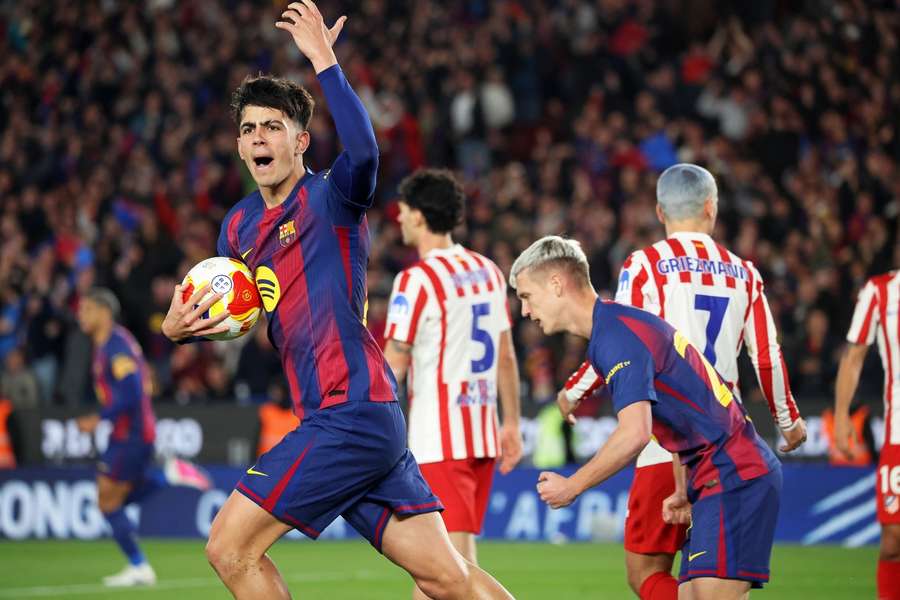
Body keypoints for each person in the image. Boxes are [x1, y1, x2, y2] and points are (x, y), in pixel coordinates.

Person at [161, 4, 513, 599]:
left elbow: (367, 154)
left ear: (300, 141)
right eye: (248, 130)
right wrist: (184, 328)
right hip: (358, 417)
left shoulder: (332, 197)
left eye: (271, 126)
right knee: (447, 578)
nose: (257, 138)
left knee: (228, 545)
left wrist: (323, 60)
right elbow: (242, 317)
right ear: (240, 148)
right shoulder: (239, 226)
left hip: (347, 413)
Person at [559, 164, 806, 599]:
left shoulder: (646, 265)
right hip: (727, 442)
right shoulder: (744, 272)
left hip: (664, 442)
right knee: (717, 577)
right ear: (712, 208)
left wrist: (574, 392)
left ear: (659, 210)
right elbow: (766, 355)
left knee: (645, 573)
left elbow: (624, 340)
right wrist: (789, 422)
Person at [511, 235, 783, 600]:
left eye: (527, 296)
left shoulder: (615, 338)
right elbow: (678, 411)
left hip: (734, 472)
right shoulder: (616, 327)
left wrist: (572, 485)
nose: (525, 311)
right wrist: (683, 485)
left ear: (556, 284)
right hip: (713, 473)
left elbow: (636, 433)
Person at [382, 168, 523, 598]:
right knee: (437, 574)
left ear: (420, 217)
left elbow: (395, 364)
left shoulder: (416, 280)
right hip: (480, 436)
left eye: (404, 212)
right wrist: (511, 423)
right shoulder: (487, 271)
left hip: (438, 441)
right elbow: (506, 356)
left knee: (451, 576)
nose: (399, 220)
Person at [76, 288, 210, 587]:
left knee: (108, 502)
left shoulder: (115, 346)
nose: (80, 315)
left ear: (103, 311)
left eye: (86, 309)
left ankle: (139, 566)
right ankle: (170, 476)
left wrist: (99, 419)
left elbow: (134, 391)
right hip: (127, 432)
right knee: (111, 500)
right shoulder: (111, 343)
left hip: (131, 433)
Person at [835, 270, 900, 600]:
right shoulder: (880, 290)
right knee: (893, 538)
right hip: (897, 431)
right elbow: (854, 357)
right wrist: (843, 415)